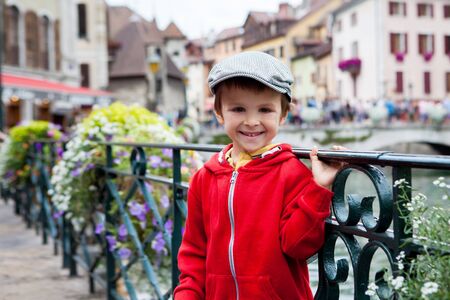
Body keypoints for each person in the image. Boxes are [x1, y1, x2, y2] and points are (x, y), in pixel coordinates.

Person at [174, 51, 344, 300]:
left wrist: (318, 187)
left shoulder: (291, 173)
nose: (252, 121)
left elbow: (299, 247)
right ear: (219, 113)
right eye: (238, 109)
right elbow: (194, 254)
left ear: (283, 115)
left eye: (265, 109)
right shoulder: (204, 178)